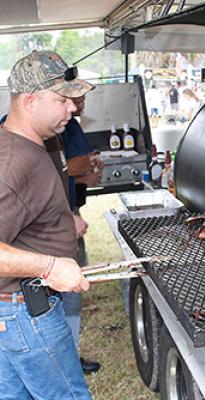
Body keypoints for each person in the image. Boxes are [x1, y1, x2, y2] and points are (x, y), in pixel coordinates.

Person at [0, 50, 93, 399]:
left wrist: (63, 218)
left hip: (15, 312)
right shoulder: (12, 163)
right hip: (26, 312)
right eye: (61, 99)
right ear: (30, 101)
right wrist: (51, 265)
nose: (72, 107)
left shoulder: (36, 143)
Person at [62, 94, 103, 374]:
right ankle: (65, 362)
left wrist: (85, 173)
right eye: (78, 96)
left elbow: (69, 170)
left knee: (71, 294)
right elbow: (66, 167)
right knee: (68, 293)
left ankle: (68, 357)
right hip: (57, 225)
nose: (81, 103)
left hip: (67, 216)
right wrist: (69, 215)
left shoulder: (66, 124)